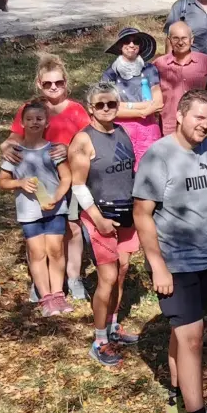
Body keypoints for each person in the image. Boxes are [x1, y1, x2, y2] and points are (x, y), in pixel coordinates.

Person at [133, 89, 207, 413]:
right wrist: (158, 265)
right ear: (179, 115)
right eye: (199, 118)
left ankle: (181, 399)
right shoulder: (159, 156)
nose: (205, 126)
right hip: (175, 262)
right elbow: (141, 214)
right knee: (193, 337)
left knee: (185, 333)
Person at [3, 54, 91, 302]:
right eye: (47, 84)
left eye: (59, 83)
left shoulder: (76, 110)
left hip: (69, 177)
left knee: (72, 227)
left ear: (66, 82)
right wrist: (5, 148)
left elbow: (88, 140)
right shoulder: (31, 110)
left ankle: (73, 277)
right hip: (36, 183)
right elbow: (13, 139)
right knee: (36, 236)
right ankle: (40, 283)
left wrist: (69, 148)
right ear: (39, 84)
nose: (54, 88)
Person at [68, 82, 142, 365]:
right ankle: (99, 341)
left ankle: (112, 325)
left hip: (126, 215)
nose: (107, 109)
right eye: (100, 105)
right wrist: (98, 219)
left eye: (112, 103)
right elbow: (78, 185)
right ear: (90, 108)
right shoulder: (83, 141)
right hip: (100, 217)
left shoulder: (121, 131)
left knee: (122, 271)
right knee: (107, 278)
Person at [0, 100, 70, 316]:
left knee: (56, 250)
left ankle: (58, 294)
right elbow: (2, 181)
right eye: (29, 119)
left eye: (39, 118)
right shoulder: (15, 153)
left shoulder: (53, 150)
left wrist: (57, 198)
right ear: (22, 122)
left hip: (55, 209)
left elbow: (67, 177)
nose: (34, 122)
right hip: (29, 212)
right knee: (37, 252)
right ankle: (45, 296)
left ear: (47, 122)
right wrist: (19, 183)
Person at [99, 26, 164, 165]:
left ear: (140, 47)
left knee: (151, 168)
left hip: (148, 129)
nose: (131, 45)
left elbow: (158, 103)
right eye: (126, 41)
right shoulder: (110, 74)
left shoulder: (150, 69)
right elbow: (110, 109)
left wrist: (124, 106)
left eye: (136, 41)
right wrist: (143, 110)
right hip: (121, 130)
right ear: (119, 46)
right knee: (124, 169)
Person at [152, 22, 207, 137]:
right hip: (169, 126)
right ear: (169, 40)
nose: (180, 42)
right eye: (176, 38)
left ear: (192, 40)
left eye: (184, 38)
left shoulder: (206, 62)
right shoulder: (158, 64)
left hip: (198, 125)